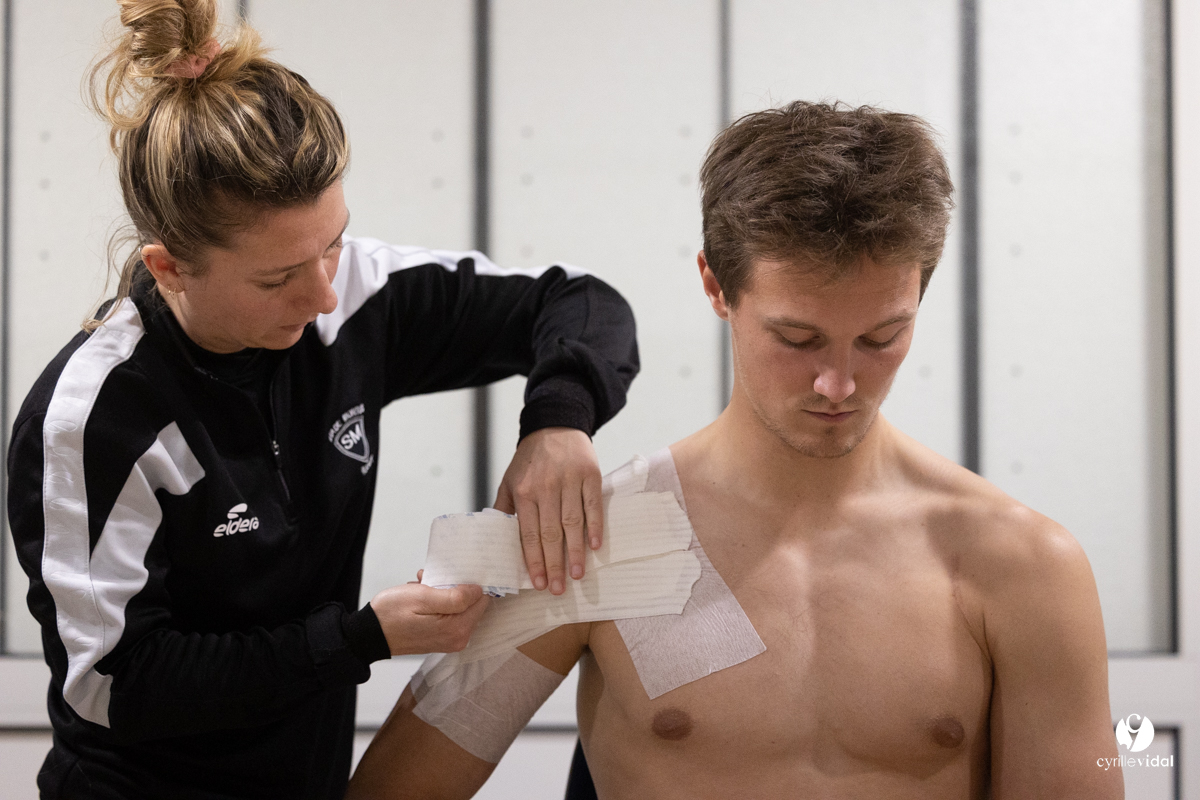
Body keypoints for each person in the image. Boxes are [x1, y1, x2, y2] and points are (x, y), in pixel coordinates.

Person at [346, 101, 1123, 799]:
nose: (837, 382)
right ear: (717, 288)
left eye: (883, 336)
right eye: (797, 337)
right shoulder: (592, 539)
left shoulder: (1019, 566)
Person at [8, 2, 638, 798]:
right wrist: (354, 639)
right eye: (278, 278)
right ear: (170, 269)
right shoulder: (96, 417)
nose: (322, 293)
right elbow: (113, 686)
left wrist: (558, 423)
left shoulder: (350, 295)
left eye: (334, 241)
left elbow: (583, 303)